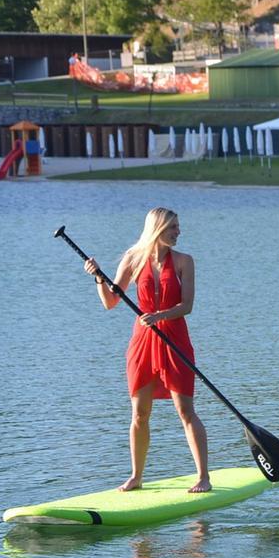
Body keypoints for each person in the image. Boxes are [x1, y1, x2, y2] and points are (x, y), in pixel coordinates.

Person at [84, 207, 210, 493]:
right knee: (139, 413)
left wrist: (160, 316)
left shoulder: (184, 262)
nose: (178, 232)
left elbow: (187, 306)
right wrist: (98, 278)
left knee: (185, 410)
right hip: (142, 342)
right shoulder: (133, 259)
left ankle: (203, 476)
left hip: (174, 339)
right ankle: (136, 476)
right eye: (173, 227)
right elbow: (110, 302)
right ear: (157, 229)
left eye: (178, 226)